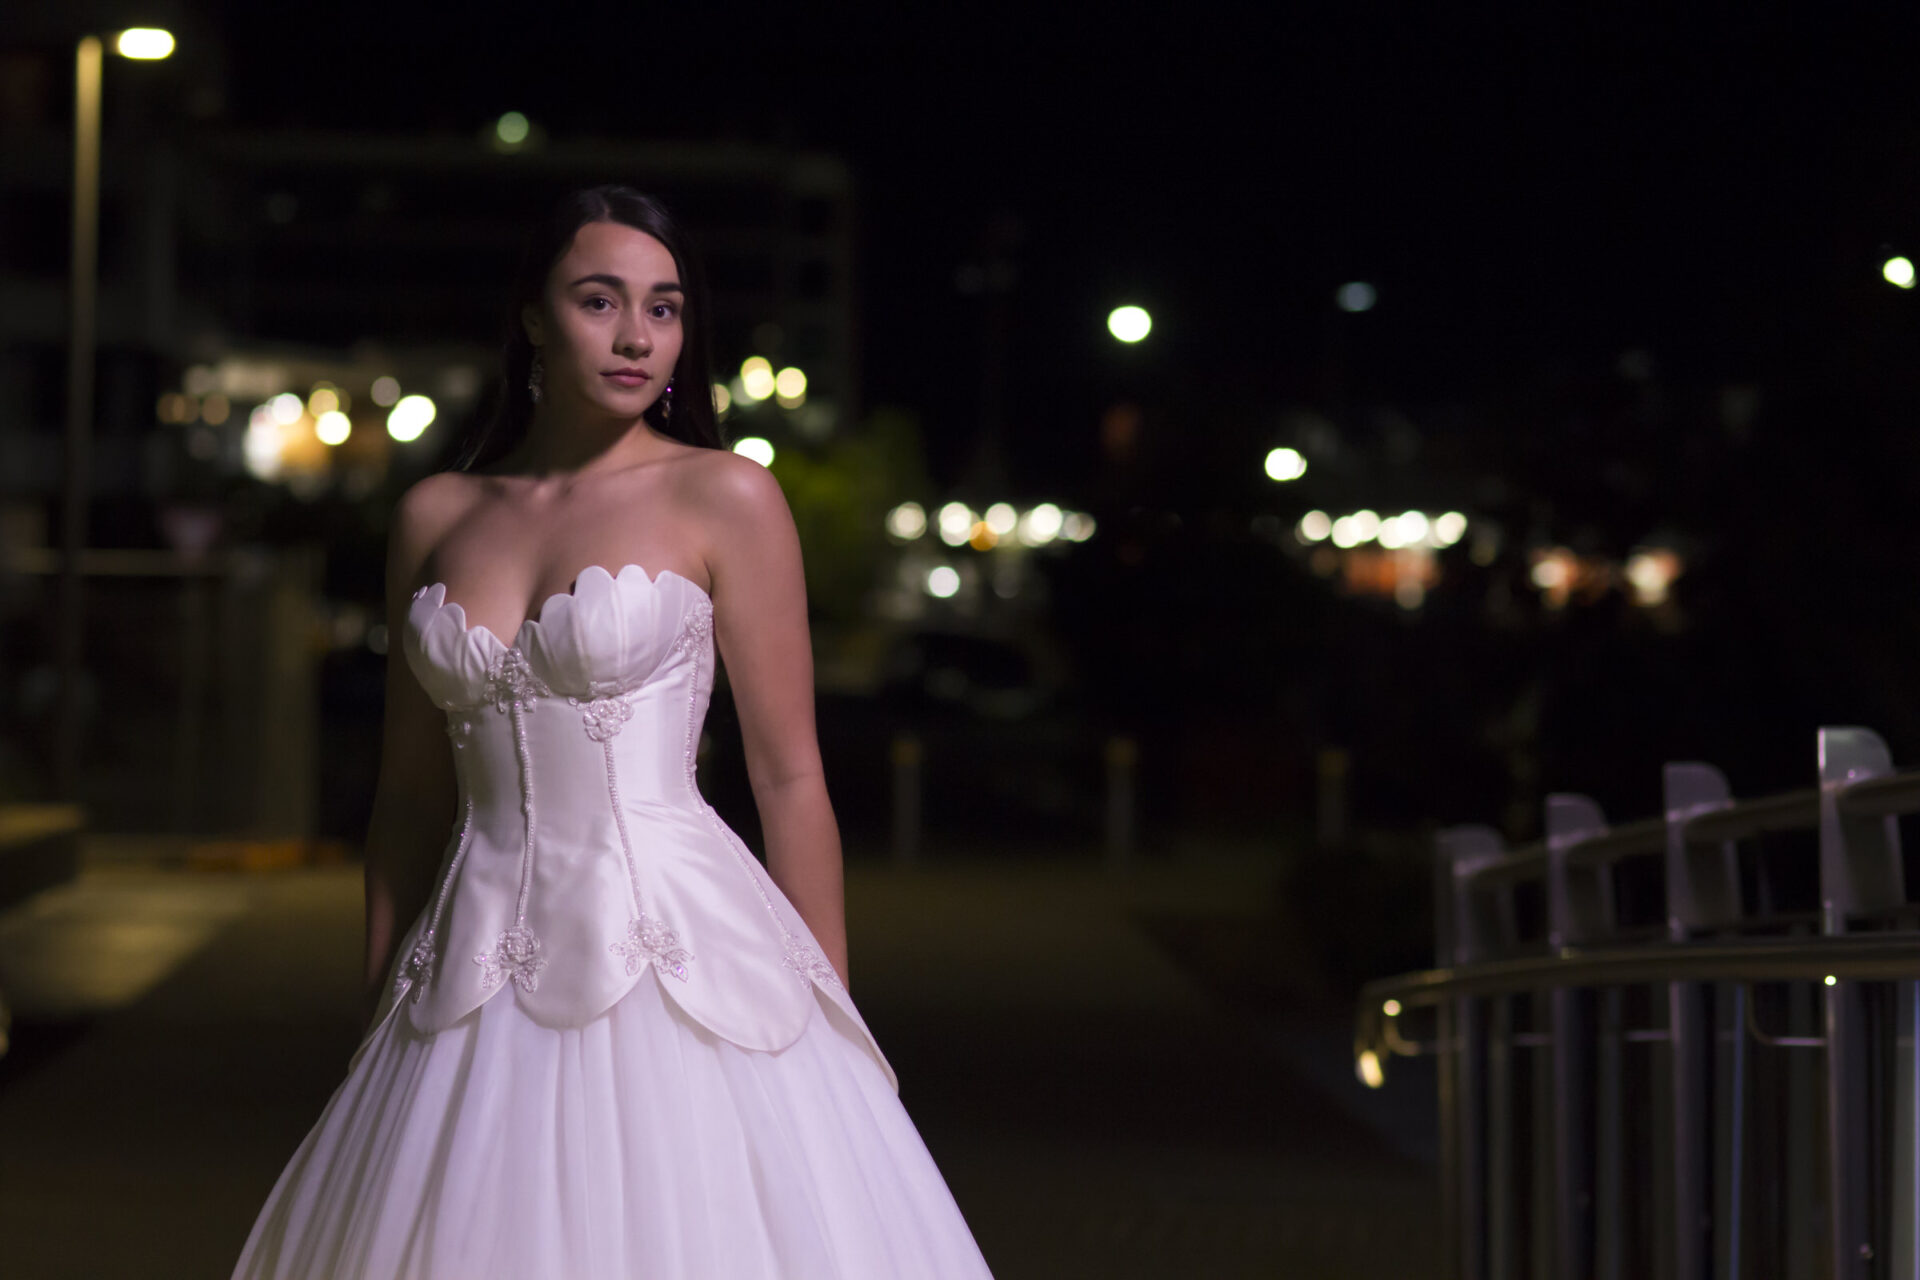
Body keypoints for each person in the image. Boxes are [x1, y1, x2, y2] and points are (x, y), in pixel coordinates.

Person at [230, 185, 997, 1279]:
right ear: (534, 317)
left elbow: (789, 775)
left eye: (665, 306)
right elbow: (407, 796)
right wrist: (375, 1003)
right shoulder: (438, 514)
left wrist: (833, 1010)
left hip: (680, 958)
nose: (638, 334)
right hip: (464, 981)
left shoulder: (725, 494)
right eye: (601, 299)